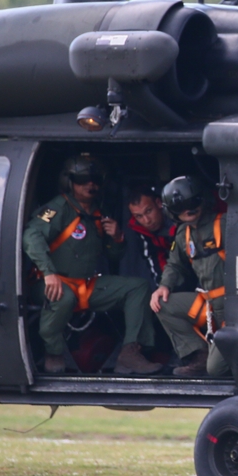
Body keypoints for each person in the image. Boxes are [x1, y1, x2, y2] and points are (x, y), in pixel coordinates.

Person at [23, 156, 161, 375]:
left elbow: (113, 256)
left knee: (138, 287)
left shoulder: (99, 213)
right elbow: (31, 236)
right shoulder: (58, 208)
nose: (91, 184)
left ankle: (131, 354)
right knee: (63, 296)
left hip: (85, 286)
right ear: (70, 182)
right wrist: (49, 273)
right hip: (50, 282)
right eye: (83, 179)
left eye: (95, 179)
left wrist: (117, 238)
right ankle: (53, 352)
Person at [150, 176, 229, 378]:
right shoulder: (183, 234)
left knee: (216, 369)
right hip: (209, 306)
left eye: (192, 203)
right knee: (163, 304)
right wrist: (164, 285)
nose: (189, 210)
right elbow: (174, 264)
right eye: (182, 207)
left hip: (233, 308)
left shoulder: (224, 224)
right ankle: (198, 356)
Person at [120, 183, 176, 286]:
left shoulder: (178, 215)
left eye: (149, 211)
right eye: (138, 216)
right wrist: (164, 287)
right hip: (175, 270)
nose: (146, 220)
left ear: (159, 203)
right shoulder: (140, 229)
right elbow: (156, 260)